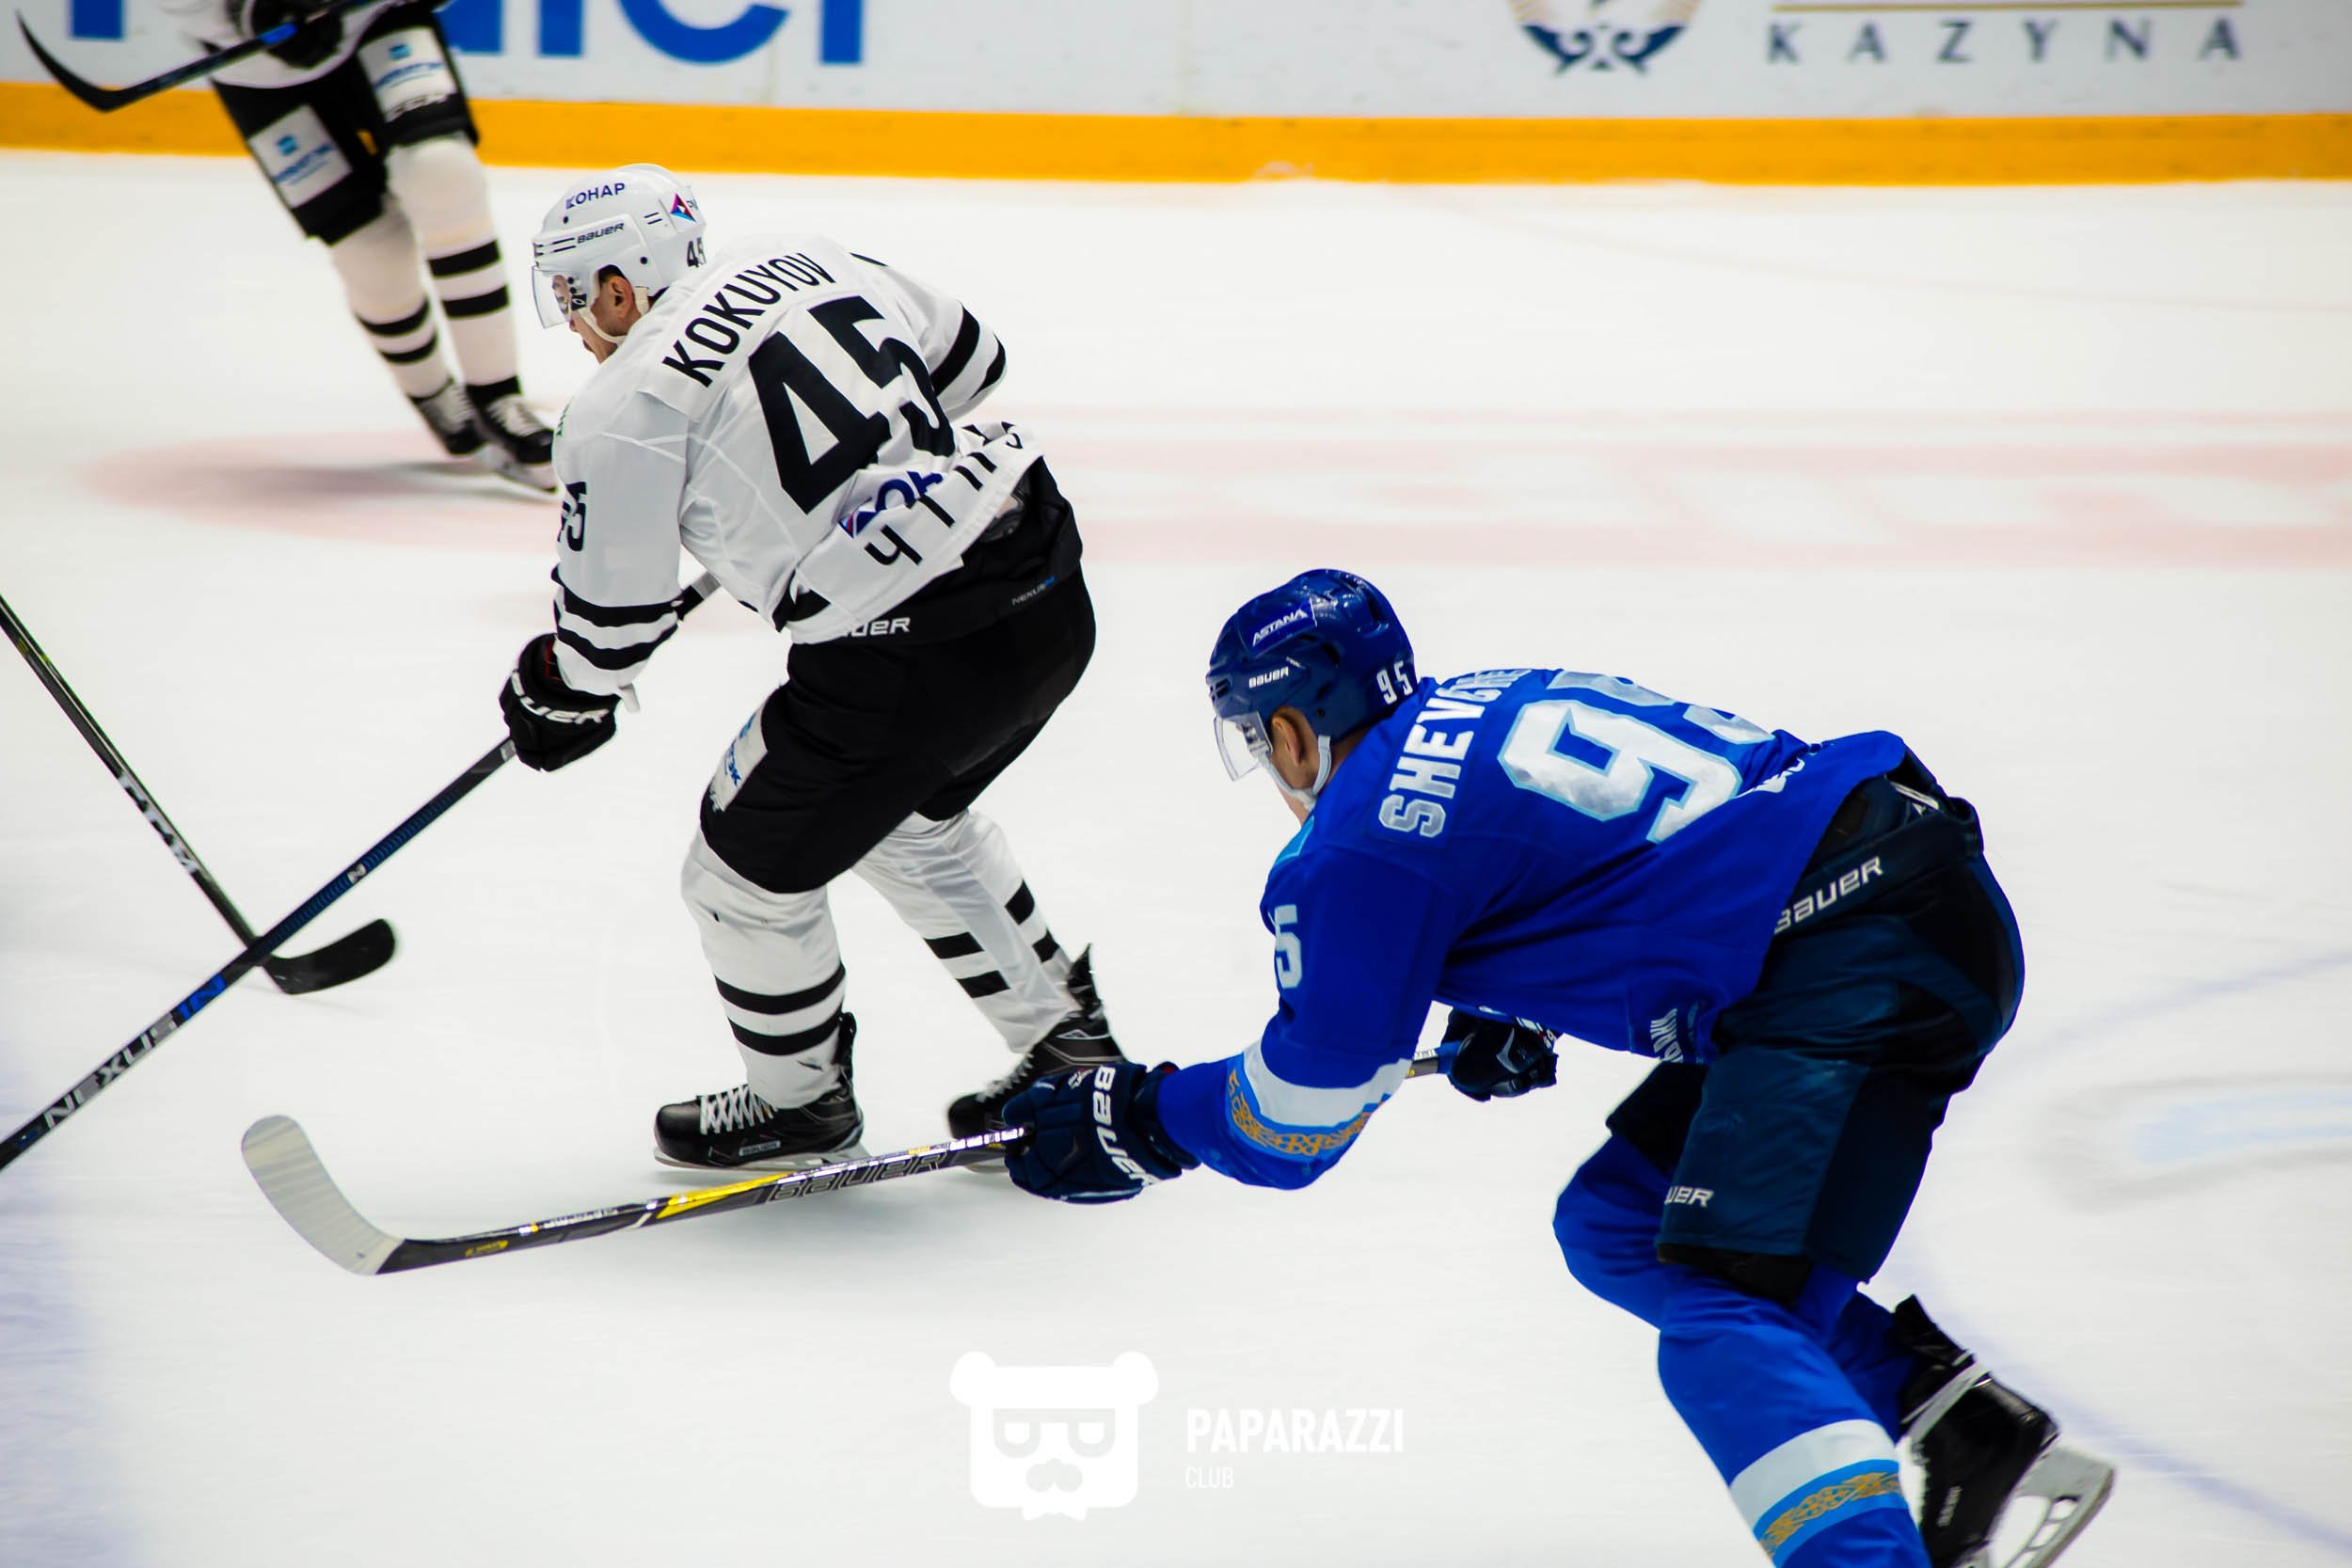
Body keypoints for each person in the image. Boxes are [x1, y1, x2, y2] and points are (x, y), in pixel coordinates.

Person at [1001, 569, 2115, 1568]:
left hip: (1846, 960)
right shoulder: (1474, 700)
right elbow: (1599, 854)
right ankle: (1950, 1414)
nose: (1271, 767)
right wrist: (1501, 1000)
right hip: (1890, 904)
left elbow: (1300, 1114)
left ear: (1293, 729)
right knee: (1618, 1221)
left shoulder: (1354, 844)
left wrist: (1139, 1117)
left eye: (1259, 737)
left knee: (1726, 1317)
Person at [497, 164, 1123, 1171]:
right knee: (909, 822)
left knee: (734, 879)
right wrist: (852, 491)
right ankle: (1066, 1040)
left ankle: (800, 1105)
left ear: (620, 286)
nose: (574, 322)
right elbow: (973, 359)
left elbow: (608, 634)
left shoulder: (621, 404)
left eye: (575, 295)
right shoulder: (807, 258)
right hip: (1046, 586)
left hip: (911, 662)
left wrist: (553, 692)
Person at [156, 0, 554, 488]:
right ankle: (432, 393)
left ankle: (499, 395)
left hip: (374, 14)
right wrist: (250, 11)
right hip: (254, 61)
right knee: (371, 252)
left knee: (440, 171)